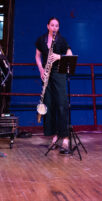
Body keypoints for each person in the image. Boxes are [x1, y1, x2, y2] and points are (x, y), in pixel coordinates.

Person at [34, 17, 74, 153]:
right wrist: (41, 70)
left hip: (59, 74)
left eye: (57, 26)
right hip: (47, 75)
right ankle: (55, 136)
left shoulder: (61, 40)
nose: (55, 28)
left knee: (62, 104)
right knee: (49, 105)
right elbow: (37, 56)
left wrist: (59, 57)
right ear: (48, 26)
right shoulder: (41, 40)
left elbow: (70, 54)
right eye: (52, 25)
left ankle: (66, 138)